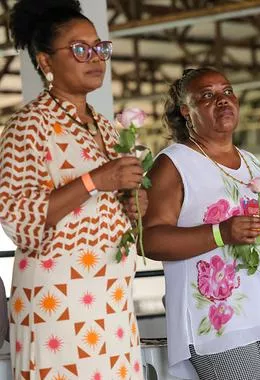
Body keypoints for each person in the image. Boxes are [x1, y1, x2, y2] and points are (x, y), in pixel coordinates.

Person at [1, 0, 147, 378]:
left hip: (111, 297)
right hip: (58, 301)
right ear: (46, 62)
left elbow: (116, 206)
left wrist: (135, 203)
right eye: (80, 49)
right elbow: (17, 217)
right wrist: (95, 180)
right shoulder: (28, 127)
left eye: (100, 48)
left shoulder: (108, 127)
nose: (95, 58)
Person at [142, 67, 260, 380]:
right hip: (218, 317)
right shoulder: (173, 163)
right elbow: (150, 240)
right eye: (207, 95)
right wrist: (221, 232)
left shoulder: (251, 161)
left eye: (227, 91)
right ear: (186, 111)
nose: (222, 100)